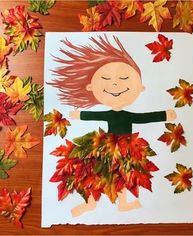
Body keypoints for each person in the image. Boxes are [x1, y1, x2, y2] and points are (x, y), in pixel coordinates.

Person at [49, 34, 176, 217]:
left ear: (140, 88)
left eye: (125, 78)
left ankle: (123, 203)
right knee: (97, 175)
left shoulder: (128, 116)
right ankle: (90, 203)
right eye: (106, 80)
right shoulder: (109, 114)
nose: (115, 84)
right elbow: (96, 114)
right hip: (107, 148)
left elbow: (144, 117)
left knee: (124, 177)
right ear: (91, 87)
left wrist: (165, 115)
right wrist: (79, 114)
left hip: (128, 150)